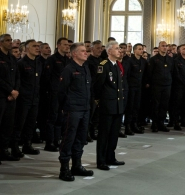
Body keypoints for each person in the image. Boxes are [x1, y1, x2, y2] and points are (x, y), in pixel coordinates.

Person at [58, 43, 93, 181]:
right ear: (74, 54)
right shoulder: (69, 69)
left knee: (81, 139)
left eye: (86, 51)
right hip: (72, 109)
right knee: (68, 138)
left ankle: (77, 165)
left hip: (85, 109)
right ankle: (64, 169)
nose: (86, 53)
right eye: (83, 51)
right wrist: (65, 107)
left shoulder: (85, 68)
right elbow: (61, 91)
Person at [0, 34, 21, 163]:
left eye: (11, 40)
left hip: (11, 97)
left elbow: (17, 76)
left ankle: (4, 151)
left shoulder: (12, 58)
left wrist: (15, 90)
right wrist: (10, 90)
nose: (10, 42)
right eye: (7, 40)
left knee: (8, 125)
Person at [94, 41, 125, 170]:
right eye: (117, 49)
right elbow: (98, 86)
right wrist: (99, 102)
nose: (120, 51)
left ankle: (110, 157)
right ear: (109, 51)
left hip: (117, 105)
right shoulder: (103, 65)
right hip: (107, 105)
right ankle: (101, 160)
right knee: (104, 134)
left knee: (113, 134)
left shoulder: (117, 65)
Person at [12, 39, 42, 158]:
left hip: (34, 98)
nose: (37, 48)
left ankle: (27, 144)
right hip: (24, 98)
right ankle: (14, 147)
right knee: (19, 124)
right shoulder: (21, 63)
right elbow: (18, 81)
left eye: (38, 46)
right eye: (34, 46)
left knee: (31, 124)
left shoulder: (38, 63)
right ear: (27, 49)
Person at [43, 38, 71, 152]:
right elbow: (47, 77)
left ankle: (57, 140)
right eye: (64, 45)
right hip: (54, 92)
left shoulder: (67, 60)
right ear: (58, 45)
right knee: (52, 118)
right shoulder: (52, 59)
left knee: (61, 118)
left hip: (64, 93)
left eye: (68, 45)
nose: (67, 47)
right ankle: (49, 142)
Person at [146, 41, 173, 132]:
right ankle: (154, 124)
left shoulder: (170, 59)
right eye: (163, 46)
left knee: (164, 105)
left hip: (167, 85)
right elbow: (150, 72)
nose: (164, 48)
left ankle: (161, 123)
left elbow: (172, 72)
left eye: (166, 46)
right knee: (155, 105)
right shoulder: (154, 59)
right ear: (159, 47)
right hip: (156, 85)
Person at [126, 43, 147, 134]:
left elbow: (145, 74)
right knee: (130, 107)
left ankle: (134, 124)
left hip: (139, 87)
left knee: (136, 107)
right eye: (139, 49)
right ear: (134, 51)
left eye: (142, 49)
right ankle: (128, 126)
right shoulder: (130, 61)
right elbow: (127, 74)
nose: (141, 50)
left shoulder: (143, 61)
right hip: (131, 87)